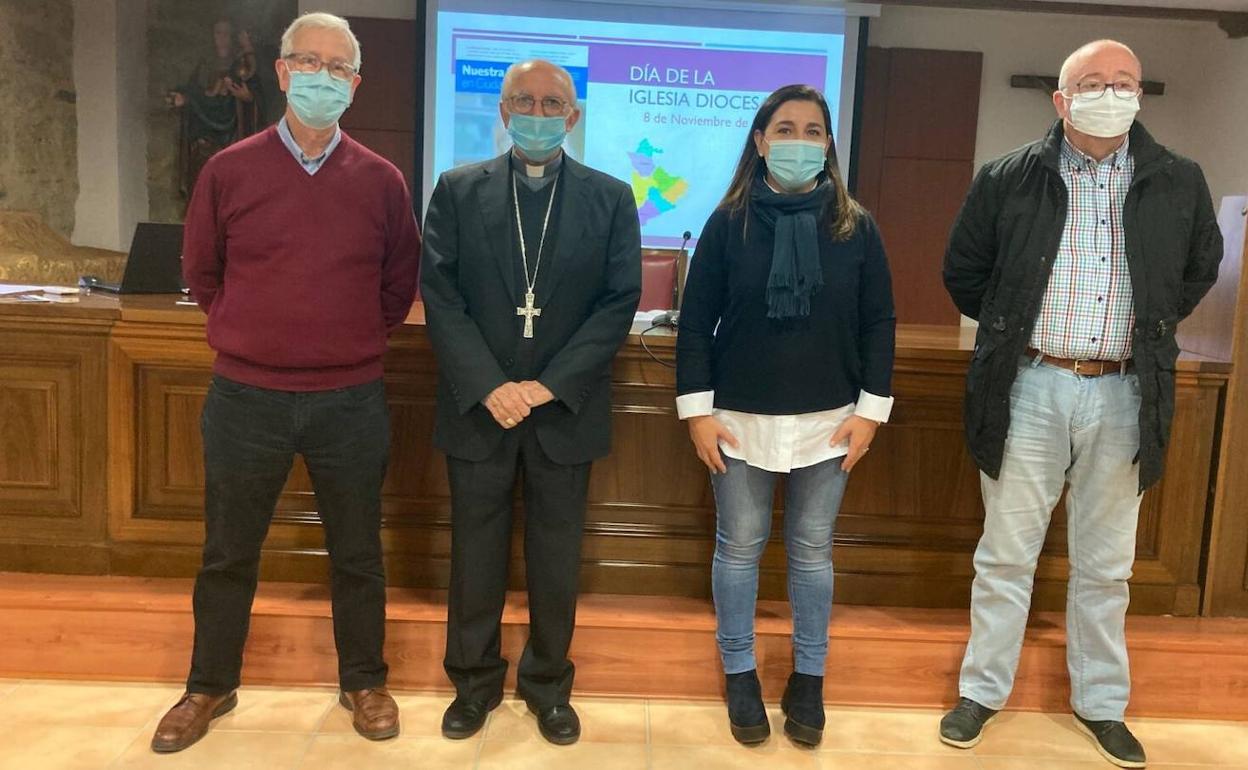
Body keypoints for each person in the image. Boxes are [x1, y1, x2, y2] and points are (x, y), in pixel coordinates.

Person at [939, 39, 1222, 769]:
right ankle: (981, 692)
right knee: (1005, 555)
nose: (1111, 92)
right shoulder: (1008, 177)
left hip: (1129, 389)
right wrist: (1011, 328)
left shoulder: (1179, 181)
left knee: (1107, 565)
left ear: (1140, 97)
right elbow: (964, 272)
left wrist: (1149, 330)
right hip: (1029, 383)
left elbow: (1198, 269)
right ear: (1061, 101)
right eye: (1093, 82)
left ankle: (1100, 703)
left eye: (1124, 82)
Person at [150, 12, 421, 753]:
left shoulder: (382, 179)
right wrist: (255, 334)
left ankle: (364, 681)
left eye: (338, 68)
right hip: (246, 398)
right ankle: (208, 685)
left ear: (356, 85)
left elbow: (398, 286)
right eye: (309, 61)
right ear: (280, 71)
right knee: (228, 551)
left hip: (350, 399)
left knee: (358, 552)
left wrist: (345, 343)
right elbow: (203, 275)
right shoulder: (229, 169)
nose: (322, 77)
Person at [421, 59, 642, 745]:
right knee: (475, 552)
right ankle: (474, 683)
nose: (538, 114)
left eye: (552, 103)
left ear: (572, 118)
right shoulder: (457, 191)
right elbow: (441, 295)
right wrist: (491, 385)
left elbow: (619, 302)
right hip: (479, 406)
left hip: (562, 410)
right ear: (503, 110)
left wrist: (546, 386)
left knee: (555, 556)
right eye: (524, 101)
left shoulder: (610, 198)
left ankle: (549, 687)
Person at [676, 84, 897, 747]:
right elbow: (693, 324)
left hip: (829, 420)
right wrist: (697, 414)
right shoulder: (728, 222)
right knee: (739, 549)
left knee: (810, 554)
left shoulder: (856, 225)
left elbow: (880, 321)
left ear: (828, 144)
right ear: (760, 140)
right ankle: (739, 671)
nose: (799, 140)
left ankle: (809, 675)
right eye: (786, 128)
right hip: (738, 419)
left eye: (812, 130)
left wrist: (871, 414)